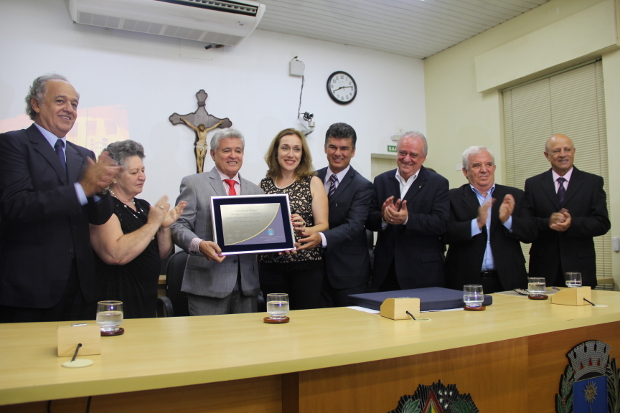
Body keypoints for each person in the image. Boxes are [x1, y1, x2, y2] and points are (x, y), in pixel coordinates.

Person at [0, 74, 119, 322]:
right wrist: (81, 189)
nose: (70, 110)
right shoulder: (12, 144)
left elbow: (99, 217)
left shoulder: (83, 154)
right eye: (60, 101)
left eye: (74, 104)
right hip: (31, 290)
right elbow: (16, 205)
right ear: (36, 104)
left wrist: (99, 190)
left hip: (80, 289)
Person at [171, 128, 263, 315]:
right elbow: (178, 225)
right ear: (212, 154)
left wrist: (280, 239)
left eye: (238, 151)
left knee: (247, 343)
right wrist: (199, 244)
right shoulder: (193, 184)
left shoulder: (256, 191)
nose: (233, 156)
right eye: (226, 150)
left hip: (247, 287)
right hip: (207, 284)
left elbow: (260, 234)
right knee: (208, 343)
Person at [89, 140, 186, 318]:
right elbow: (115, 254)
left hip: (146, 298)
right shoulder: (104, 206)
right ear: (114, 176)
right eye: (134, 172)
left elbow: (161, 254)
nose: (142, 177)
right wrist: (152, 224)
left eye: (142, 170)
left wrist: (164, 227)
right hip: (116, 301)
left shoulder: (143, 206)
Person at [297, 123, 373, 307]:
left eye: (344, 148)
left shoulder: (362, 186)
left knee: (348, 330)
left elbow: (354, 226)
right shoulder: (311, 178)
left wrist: (320, 237)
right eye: (333, 147)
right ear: (325, 148)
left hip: (348, 274)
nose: (338, 153)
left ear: (353, 151)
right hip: (312, 270)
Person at [444, 146, 537, 293]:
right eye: (477, 165)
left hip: (509, 280)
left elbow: (531, 233)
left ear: (494, 168)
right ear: (465, 171)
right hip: (465, 281)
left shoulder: (515, 195)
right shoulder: (451, 197)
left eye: (488, 164)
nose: (484, 169)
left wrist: (508, 220)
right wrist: (477, 223)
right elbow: (444, 233)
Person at [366, 131, 449, 291]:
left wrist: (407, 219)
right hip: (386, 271)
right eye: (402, 153)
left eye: (413, 154)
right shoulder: (381, 180)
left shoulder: (438, 183)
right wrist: (383, 217)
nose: (406, 158)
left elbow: (441, 223)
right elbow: (369, 219)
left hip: (422, 273)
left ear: (424, 157)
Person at [524, 134, 611, 288]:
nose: (563, 154)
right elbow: (527, 224)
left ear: (574, 152)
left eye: (567, 149)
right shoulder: (533, 184)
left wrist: (573, 223)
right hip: (543, 268)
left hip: (580, 268)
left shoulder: (592, 182)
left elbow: (602, 223)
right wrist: (547, 222)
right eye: (557, 151)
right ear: (547, 156)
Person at [259, 128, 329, 310]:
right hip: (270, 266)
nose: (291, 154)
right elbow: (259, 228)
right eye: (285, 148)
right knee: (275, 321)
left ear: (302, 154)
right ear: (276, 152)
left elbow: (323, 225)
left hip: (306, 267)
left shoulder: (313, 182)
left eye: (297, 149)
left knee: (304, 326)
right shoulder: (262, 185)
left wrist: (305, 228)